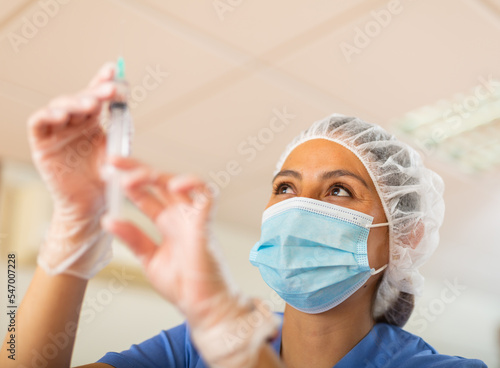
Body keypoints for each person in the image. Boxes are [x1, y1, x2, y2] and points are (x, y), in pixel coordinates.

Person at [0, 63, 487, 368]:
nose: (300, 207)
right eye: (285, 188)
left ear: (402, 238)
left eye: (338, 189)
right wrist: (76, 227)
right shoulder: (190, 348)